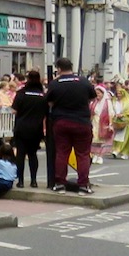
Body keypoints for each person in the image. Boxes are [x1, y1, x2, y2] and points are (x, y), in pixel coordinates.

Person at [46, 58, 95, 195]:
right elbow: (91, 98)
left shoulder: (55, 84)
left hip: (61, 121)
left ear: (59, 69)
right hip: (82, 121)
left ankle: (60, 183)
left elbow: (49, 103)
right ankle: (83, 185)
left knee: (62, 153)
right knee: (83, 154)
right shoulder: (83, 81)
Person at [11, 70, 48, 188]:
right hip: (36, 129)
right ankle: (34, 180)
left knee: (20, 155)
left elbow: (14, 111)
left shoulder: (21, 93)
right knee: (33, 154)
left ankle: (20, 181)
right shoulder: (42, 95)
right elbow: (47, 112)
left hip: (21, 127)